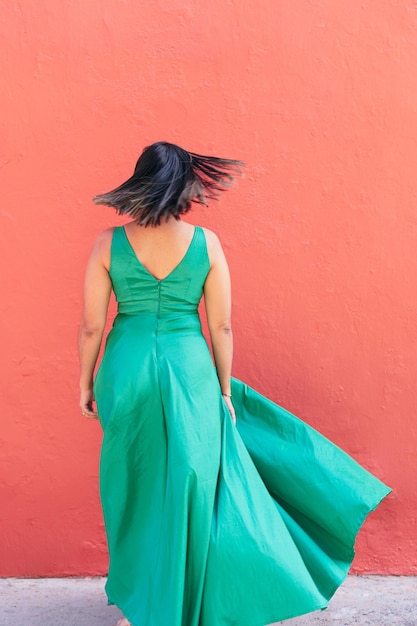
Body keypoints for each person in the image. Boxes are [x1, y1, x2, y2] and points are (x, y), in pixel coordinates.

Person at [78, 141, 391, 626]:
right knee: (193, 484)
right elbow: (220, 326)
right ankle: (190, 601)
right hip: (190, 368)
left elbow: (93, 326)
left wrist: (85, 381)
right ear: (186, 186)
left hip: (126, 369)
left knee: (134, 482)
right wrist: (224, 391)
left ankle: (142, 605)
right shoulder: (206, 244)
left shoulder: (107, 243)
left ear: (140, 180)